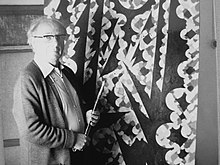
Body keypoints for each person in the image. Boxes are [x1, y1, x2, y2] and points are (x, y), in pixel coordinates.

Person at [12, 16, 100, 165]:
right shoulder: (28, 78)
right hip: (51, 160)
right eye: (48, 37)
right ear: (33, 42)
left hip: (76, 156)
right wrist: (72, 139)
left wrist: (86, 114)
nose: (56, 44)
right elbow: (30, 129)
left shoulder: (67, 72)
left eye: (60, 37)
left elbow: (71, 107)